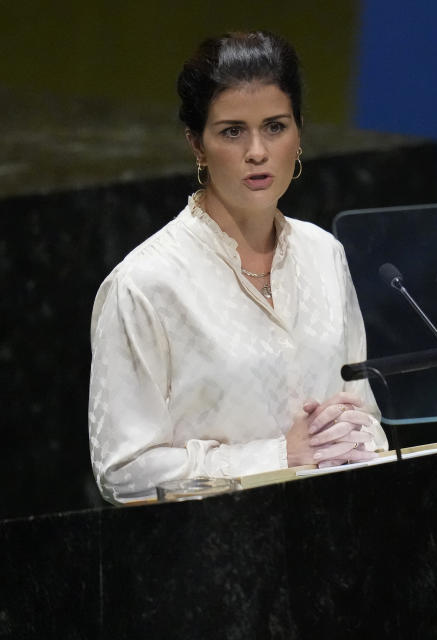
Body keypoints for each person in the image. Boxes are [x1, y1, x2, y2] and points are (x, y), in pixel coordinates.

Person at [88, 31, 388, 504]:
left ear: (299, 132)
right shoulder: (145, 283)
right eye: (232, 131)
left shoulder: (324, 254)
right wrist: (278, 456)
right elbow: (124, 470)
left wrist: (354, 437)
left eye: (274, 126)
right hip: (214, 558)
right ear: (197, 145)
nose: (257, 151)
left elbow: (365, 418)